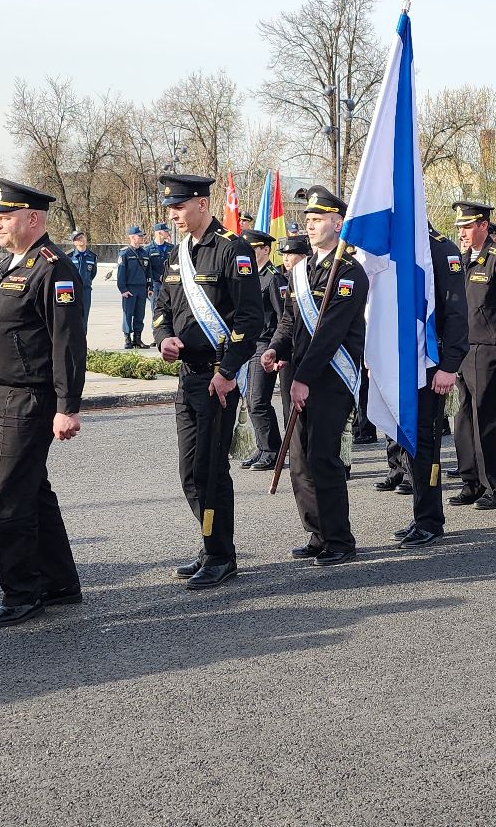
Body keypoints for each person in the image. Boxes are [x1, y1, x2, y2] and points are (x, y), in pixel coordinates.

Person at [0, 178, 87, 629]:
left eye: (4, 217)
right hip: (3, 391)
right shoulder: (13, 263)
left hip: (30, 397)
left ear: (32, 219)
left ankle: (22, 592)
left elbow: (67, 343)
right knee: (33, 488)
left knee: (10, 496)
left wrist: (68, 406)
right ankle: (60, 581)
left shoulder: (53, 268)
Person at [153, 174, 262, 589]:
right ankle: (209, 542)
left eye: (179, 207)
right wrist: (164, 338)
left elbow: (250, 319)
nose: (174, 215)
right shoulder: (178, 253)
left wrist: (228, 371)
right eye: (171, 208)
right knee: (189, 472)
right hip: (187, 374)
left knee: (211, 469)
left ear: (202, 203)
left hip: (218, 375)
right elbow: (162, 307)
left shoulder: (233, 250)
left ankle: (220, 555)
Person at [259, 188, 368, 563]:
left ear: (338, 223)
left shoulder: (351, 271)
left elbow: (331, 332)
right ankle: (316, 534)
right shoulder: (301, 270)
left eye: (318, 218)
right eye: (307, 219)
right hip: (298, 377)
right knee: (300, 459)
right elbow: (290, 321)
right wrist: (276, 348)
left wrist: (304, 376)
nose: (309, 224)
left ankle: (340, 539)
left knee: (324, 458)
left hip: (330, 378)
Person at [383, 223, 469, 549]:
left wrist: (449, 366)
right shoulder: (396, 248)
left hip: (430, 365)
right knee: (408, 442)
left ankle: (430, 520)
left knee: (425, 444)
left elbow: (457, 314)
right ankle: (421, 512)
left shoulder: (440, 249)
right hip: (401, 364)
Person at [450, 200, 496, 509]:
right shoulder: (462, 259)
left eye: (466, 227)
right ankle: (471, 481)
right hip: (462, 347)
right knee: (463, 416)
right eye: (459, 228)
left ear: (483, 226)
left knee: (484, 415)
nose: (462, 233)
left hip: (488, 347)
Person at [238, 229, 284, 472]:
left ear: (265, 249)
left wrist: (277, 349)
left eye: (252, 249)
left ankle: (272, 451)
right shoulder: (249, 276)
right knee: (251, 399)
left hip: (265, 345)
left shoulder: (274, 278)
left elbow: (283, 317)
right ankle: (263, 446)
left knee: (258, 400)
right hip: (249, 344)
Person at [115, 227, 151, 349]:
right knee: (128, 314)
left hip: (141, 288)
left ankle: (137, 338)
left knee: (140, 315)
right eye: (139, 236)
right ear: (132, 237)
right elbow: (121, 273)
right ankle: (127, 338)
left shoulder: (144, 252)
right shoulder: (125, 253)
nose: (142, 238)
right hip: (129, 288)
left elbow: (148, 271)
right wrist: (123, 289)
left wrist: (149, 287)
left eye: (142, 236)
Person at [67, 231, 98, 327]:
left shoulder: (92, 256)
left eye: (81, 237)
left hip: (85, 291)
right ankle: (72, 341)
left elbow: (93, 273)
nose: (80, 239)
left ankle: (82, 340)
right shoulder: (69, 256)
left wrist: (85, 282)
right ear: (74, 242)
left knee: (84, 317)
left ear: (85, 238)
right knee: (72, 317)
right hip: (72, 291)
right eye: (77, 239)